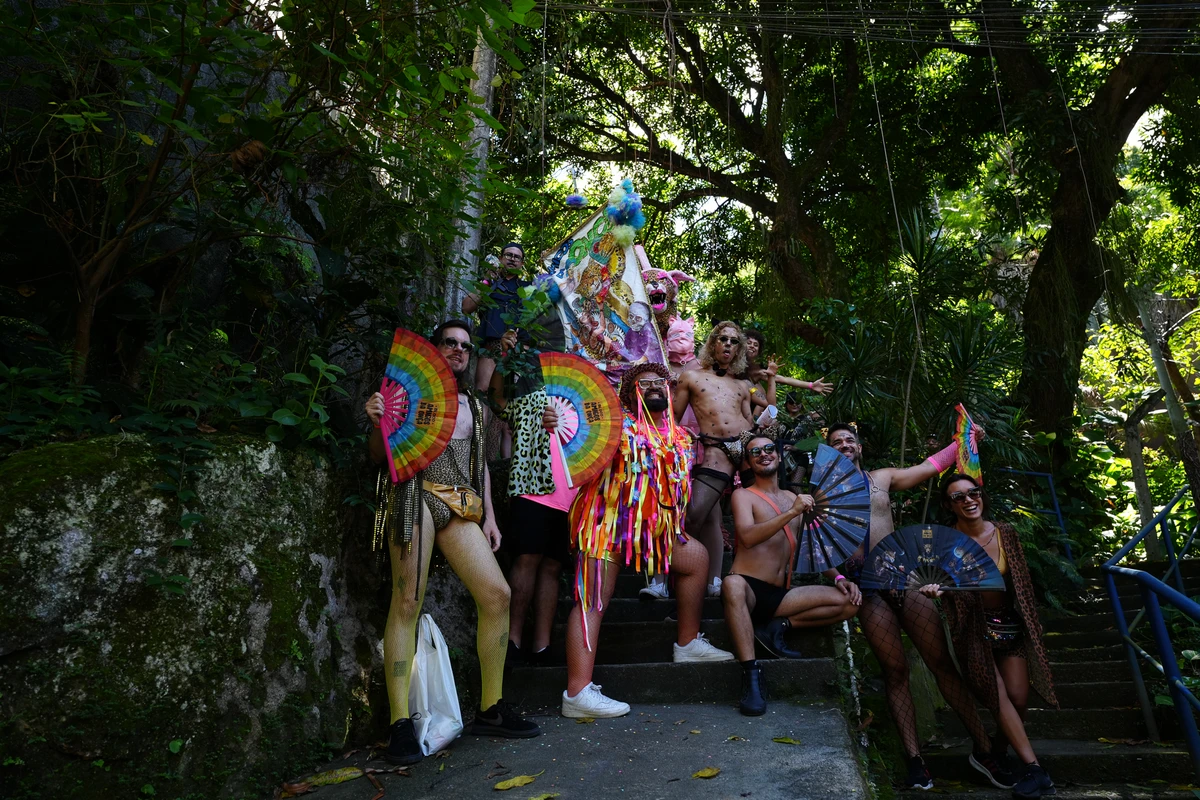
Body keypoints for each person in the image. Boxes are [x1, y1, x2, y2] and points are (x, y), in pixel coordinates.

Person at [366, 319, 539, 766]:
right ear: (435, 348)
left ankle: (491, 709)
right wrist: (375, 422)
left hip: (461, 505)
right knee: (406, 602)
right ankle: (400, 724)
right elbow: (376, 457)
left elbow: (480, 465)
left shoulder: (477, 407)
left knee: (498, 594)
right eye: (450, 343)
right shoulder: (407, 398)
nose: (459, 350)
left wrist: (491, 518)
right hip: (416, 494)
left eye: (465, 345)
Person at [828, 423, 1011, 790]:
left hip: (902, 577)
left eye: (849, 440)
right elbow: (820, 543)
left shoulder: (881, 478)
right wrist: (837, 578)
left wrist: (967, 440)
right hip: (866, 588)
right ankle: (916, 762)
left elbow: (932, 466)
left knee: (941, 662)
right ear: (829, 452)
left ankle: (984, 747)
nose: (844, 445)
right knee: (895, 672)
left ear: (860, 447)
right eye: (836, 443)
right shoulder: (822, 491)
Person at [564, 363, 734, 718]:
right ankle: (577, 693)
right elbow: (575, 436)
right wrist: (556, 423)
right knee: (594, 598)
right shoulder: (615, 426)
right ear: (630, 394)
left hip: (654, 532)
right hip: (605, 523)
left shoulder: (683, 439)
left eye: (661, 382)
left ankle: (686, 643)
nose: (655, 386)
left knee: (697, 557)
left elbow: (674, 490)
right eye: (645, 384)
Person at [919, 475, 1058, 799]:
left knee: (1019, 698)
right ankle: (1035, 770)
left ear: (982, 496)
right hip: (973, 628)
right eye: (958, 497)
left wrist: (1031, 624)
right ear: (948, 505)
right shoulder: (944, 540)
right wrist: (934, 588)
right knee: (997, 697)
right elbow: (934, 577)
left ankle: (993, 752)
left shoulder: (1005, 532)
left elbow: (1021, 580)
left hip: (1009, 624)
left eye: (973, 493)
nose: (968, 500)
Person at [723, 436, 861, 715]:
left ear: (778, 455)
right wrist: (793, 512)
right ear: (749, 462)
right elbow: (748, 537)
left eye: (769, 449)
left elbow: (809, 549)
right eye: (755, 452)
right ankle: (751, 676)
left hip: (779, 596)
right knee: (731, 584)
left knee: (851, 602)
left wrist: (838, 578)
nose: (764, 454)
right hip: (748, 588)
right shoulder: (743, 496)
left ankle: (779, 626)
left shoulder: (792, 498)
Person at [489, 329, 574, 667]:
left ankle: (542, 645)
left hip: (571, 491)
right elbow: (497, 402)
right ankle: (511, 640)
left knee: (553, 566)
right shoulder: (526, 397)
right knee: (526, 559)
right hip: (531, 485)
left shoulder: (577, 393)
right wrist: (503, 357)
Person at [672, 321, 757, 597]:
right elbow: (673, 419)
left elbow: (749, 420)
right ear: (712, 343)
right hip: (715, 449)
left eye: (735, 341)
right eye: (724, 339)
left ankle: (752, 580)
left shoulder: (743, 385)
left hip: (747, 449)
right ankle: (684, 578)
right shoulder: (691, 378)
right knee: (694, 514)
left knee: (764, 511)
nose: (729, 345)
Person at [463, 243, 530, 391]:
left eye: (517, 257)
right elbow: (466, 307)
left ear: (522, 263)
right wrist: (488, 279)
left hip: (519, 348)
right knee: (485, 392)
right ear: (500, 258)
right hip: (491, 348)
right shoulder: (488, 284)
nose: (512, 259)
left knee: (516, 395)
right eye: (508, 255)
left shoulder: (529, 288)